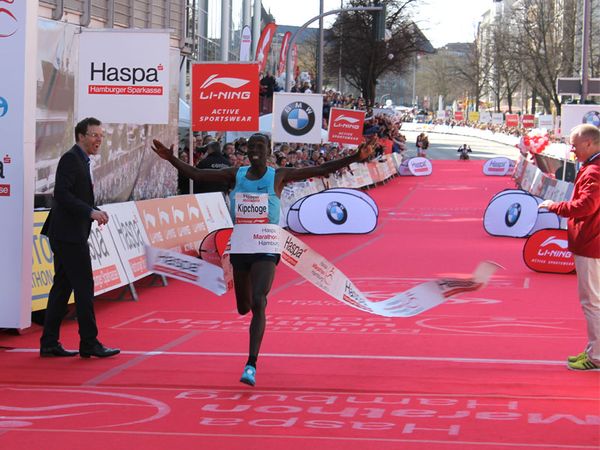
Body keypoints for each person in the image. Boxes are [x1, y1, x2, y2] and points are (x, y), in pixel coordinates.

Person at [151, 133, 373, 386]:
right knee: (244, 306)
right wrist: (171, 159)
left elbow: (321, 168)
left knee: (259, 300)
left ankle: (251, 364)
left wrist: (355, 156)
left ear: (267, 151)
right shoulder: (235, 174)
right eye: (251, 146)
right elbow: (198, 175)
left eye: (260, 146)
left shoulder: (278, 176)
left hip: (267, 245)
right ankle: (249, 329)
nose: (254, 150)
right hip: (241, 246)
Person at [40, 117, 120, 359]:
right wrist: (89, 211)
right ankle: (89, 342)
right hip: (68, 235)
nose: (100, 140)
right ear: (81, 136)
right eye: (95, 135)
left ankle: (49, 343)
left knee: (62, 288)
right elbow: (61, 194)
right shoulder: (71, 159)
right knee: (84, 288)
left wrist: (94, 209)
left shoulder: (81, 160)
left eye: (102, 135)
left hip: (68, 233)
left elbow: (76, 195)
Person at [539, 124, 600, 371]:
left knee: (592, 302)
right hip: (592, 240)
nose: (572, 150)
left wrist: (554, 206)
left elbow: (585, 206)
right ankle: (594, 351)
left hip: (592, 242)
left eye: (574, 145)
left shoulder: (594, 171)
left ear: (589, 143)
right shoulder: (592, 167)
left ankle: (596, 356)